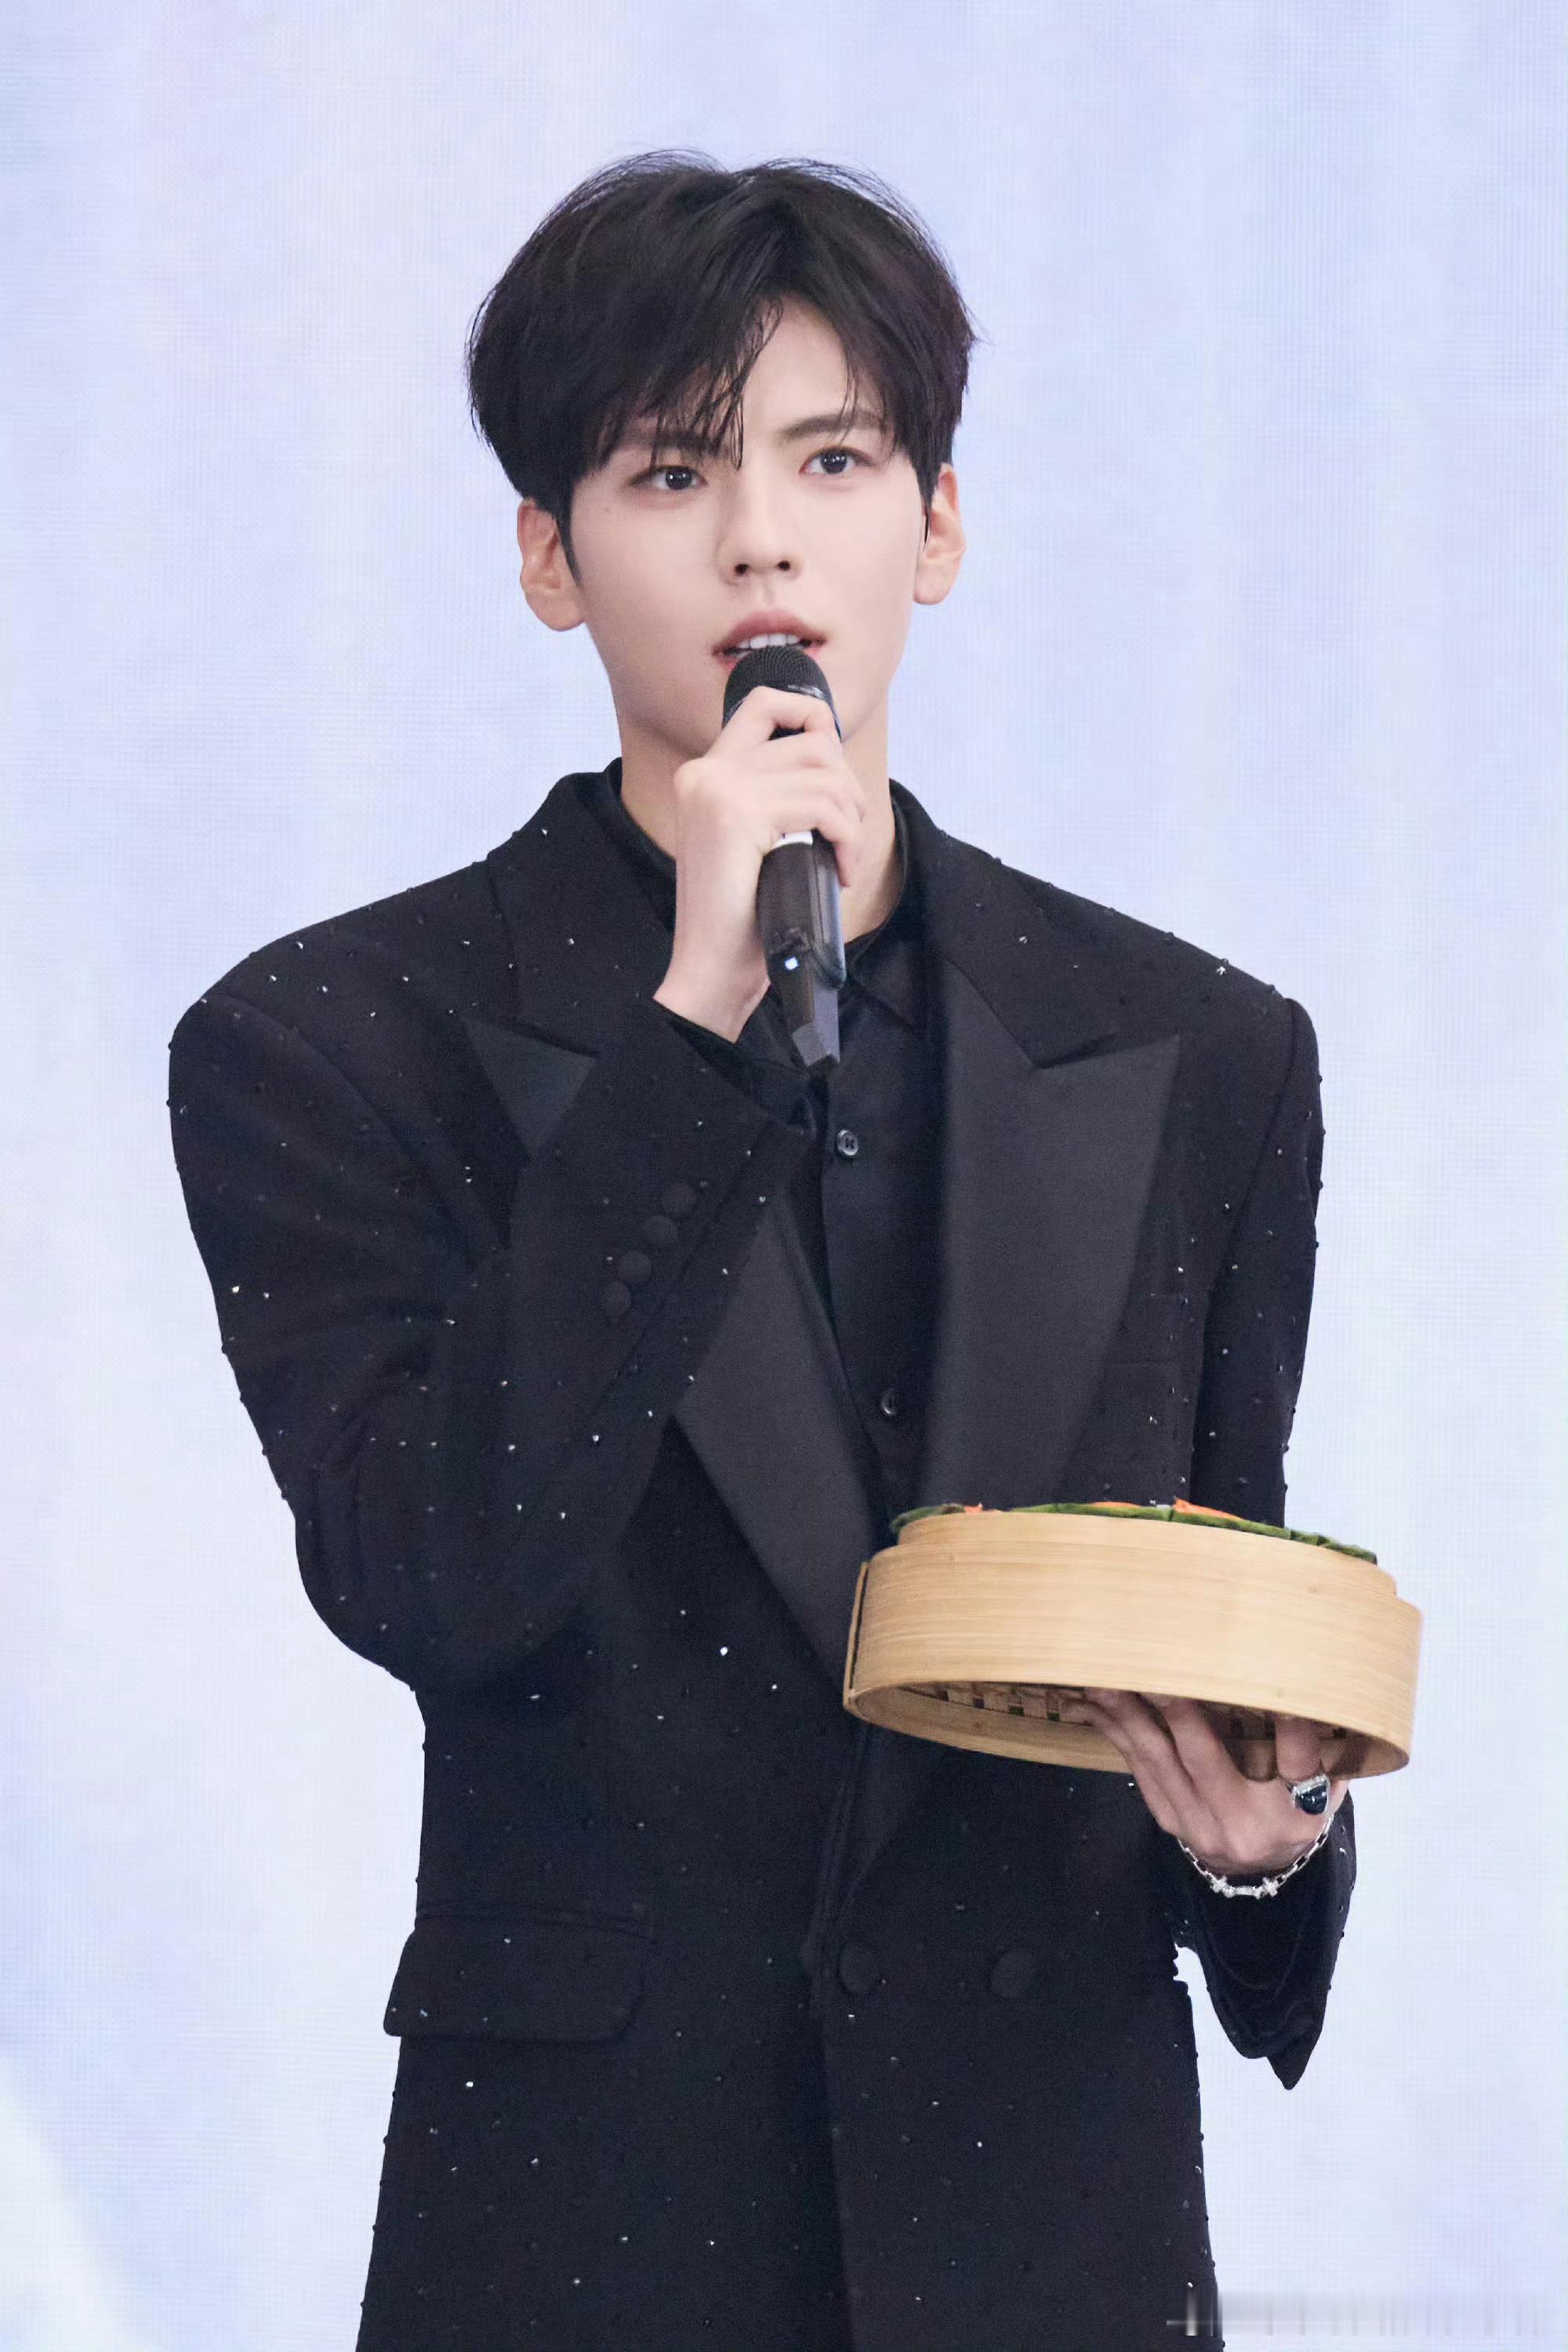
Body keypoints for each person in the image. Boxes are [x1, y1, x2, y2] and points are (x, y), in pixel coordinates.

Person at [168, 151, 1357, 2352]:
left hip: (1048, 2227)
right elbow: (433, 1570)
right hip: (595, 2231)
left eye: (833, 459)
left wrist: (1262, 1842)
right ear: (548, 556)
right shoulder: (328, 1040)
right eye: (669, 471)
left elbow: (1210, 1612)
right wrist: (691, 1035)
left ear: (941, 523)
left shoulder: (1202, 1053)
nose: (759, 541)